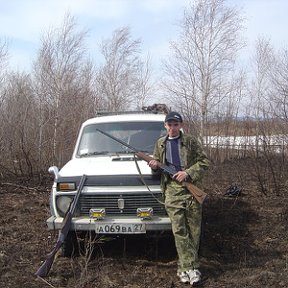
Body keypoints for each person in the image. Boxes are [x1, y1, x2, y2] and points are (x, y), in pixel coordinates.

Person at [149, 111, 209, 286]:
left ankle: (185, 269)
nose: (172, 128)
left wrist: (187, 173)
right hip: (172, 193)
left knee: (194, 231)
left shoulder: (190, 142)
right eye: (170, 124)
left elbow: (205, 162)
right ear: (165, 126)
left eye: (176, 124)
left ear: (181, 125)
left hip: (191, 191)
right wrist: (154, 166)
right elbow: (158, 167)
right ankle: (191, 268)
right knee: (179, 231)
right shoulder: (160, 144)